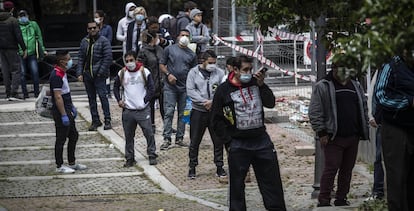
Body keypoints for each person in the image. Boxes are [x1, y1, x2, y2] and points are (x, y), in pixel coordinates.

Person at [211, 55, 286, 210]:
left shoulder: (255, 83)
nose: (249, 73)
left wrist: (262, 85)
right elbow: (216, 120)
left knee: (272, 184)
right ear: (235, 69)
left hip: (261, 141)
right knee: (237, 188)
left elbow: (270, 103)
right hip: (238, 144)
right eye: (245, 70)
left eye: (250, 69)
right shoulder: (223, 90)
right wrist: (229, 142)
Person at [308, 62, 369, 207]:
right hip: (332, 137)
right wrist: (321, 132)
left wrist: (363, 126)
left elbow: (363, 106)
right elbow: (315, 111)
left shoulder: (355, 85)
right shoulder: (323, 86)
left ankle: (341, 198)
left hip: (352, 136)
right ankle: (324, 199)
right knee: (331, 168)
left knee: (347, 169)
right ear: (333, 69)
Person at [374, 54, 414, 211]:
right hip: (396, 128)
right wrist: (409, 101)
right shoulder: (391, 65)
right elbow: (381, 96)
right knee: (397, 178)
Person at [186, 50, 226, 179]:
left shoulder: (219, 73)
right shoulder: (193, 73)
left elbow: (223, 89)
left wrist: (213, 102)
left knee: (218, 140)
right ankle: (192, 167)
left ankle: (219, 166)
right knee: (195, 141)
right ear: (203, 61)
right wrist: (204, 102)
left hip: (215, 112)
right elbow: (191, 90)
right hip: (199, 111)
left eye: (214, 63)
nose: (212, 65)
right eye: (210, 63)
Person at [113, 51, 158, 166]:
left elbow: (151, 88)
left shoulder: (144, 72)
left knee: (148, 133)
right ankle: (130, 158)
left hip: (142, 109)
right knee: (128, 136)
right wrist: (119, 100)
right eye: (127, 61)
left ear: (136, 59)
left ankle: (152, 154)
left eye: (131, 60)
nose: (129, 63)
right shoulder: (122, 73)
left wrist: (145, 100)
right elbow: (115, 87)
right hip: (128, 110)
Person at [159, 29, 197, 150]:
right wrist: (168, 74)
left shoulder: (192, 54)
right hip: (170, 87)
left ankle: (180, 138)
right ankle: (167, 138)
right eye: (182, 35)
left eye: (187, 35)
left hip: (185, 88)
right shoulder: (169, 49)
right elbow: (162, 65)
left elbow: (194, 71)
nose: (184, 37)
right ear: (178, 37)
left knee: (183, 114)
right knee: (169, 112)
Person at [50, 50, 87, 173]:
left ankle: (72, 162)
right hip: (61, 111)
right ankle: (59, 165)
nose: (70, 61)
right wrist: (64, 115)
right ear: (62, 61)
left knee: (73, 135)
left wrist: (71, 107)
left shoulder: (63, 73)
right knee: (61, 138)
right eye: (68, 59)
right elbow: (58, 96)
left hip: (67, 107)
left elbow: (66, 93)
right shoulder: (56, 76)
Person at [76, 21, 113, 131]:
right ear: (87, 30)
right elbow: (81, 58)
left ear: (98, 28)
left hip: (99, 75)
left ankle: (107, 120)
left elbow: (108, 58)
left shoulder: (104, 41)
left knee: (103, 97)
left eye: (94, 28)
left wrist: (101, 72)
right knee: (91, 99)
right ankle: (95, 120)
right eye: (90, 28)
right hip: (88, 74)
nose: (92, 30)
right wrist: (79, 73)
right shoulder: (84, 41)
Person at [138, 30, 164, 133]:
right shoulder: (143, 51)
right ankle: (151, 125)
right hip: (151, 82)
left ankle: (167, 125)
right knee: (150, 106)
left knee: (164, 106)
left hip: (161, 83)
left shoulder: (159, 49)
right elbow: (140, 67)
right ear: (152, 38)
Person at [0, 1, 27, 100]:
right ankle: (14, 92)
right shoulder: (13, 20)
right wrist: (24, 49)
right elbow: (18, 36)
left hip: (1, 49)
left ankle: (7, 93)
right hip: (12, 48)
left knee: (5, 71)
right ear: (12, 9)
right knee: (16, 70)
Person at [17, 10, 46, 99]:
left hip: (32, 53)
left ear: (28, 16)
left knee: (35, 72)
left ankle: (36, 93)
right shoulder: (16, 25)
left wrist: (43, 49)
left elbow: (39, 37)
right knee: (22, 74)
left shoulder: (33, 24)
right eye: (21, 16)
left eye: (24, 15)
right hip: (20, 53)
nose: (23, 17)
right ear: (18, 17)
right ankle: (25, 94)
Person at [366, 69, 384, 201]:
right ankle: (378, 191)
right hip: (384, 123)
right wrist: (372, 115)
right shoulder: (384, 69)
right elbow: (373, 92)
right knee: (379, 158)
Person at [94, 10, 113, 98]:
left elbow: (109, 40)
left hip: (105, 52)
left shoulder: (107, 28)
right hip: (97, 53)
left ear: (102, 18)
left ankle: (108, 91)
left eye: (97, 17)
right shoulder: (94, 28)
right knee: (97, 72)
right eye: (95, 17)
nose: (96, 19)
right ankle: (99, 91)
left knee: (106, 73)